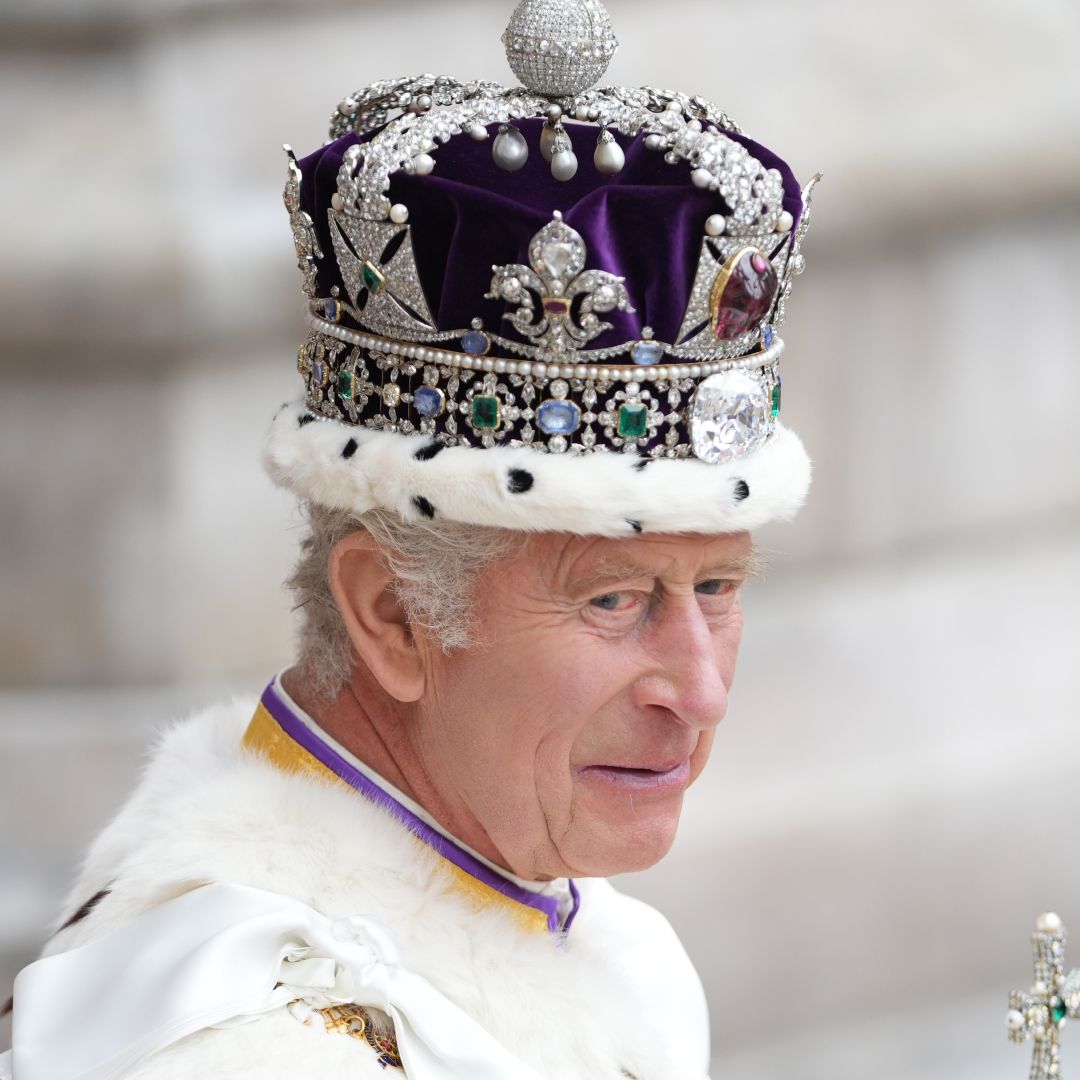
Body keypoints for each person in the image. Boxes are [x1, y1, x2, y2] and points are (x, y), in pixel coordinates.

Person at [1, 1, 817, 1076]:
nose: (700, 692)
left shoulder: (597, 939)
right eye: (614, 599)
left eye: (717, 585)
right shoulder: (258, 1046)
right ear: (391, 616)